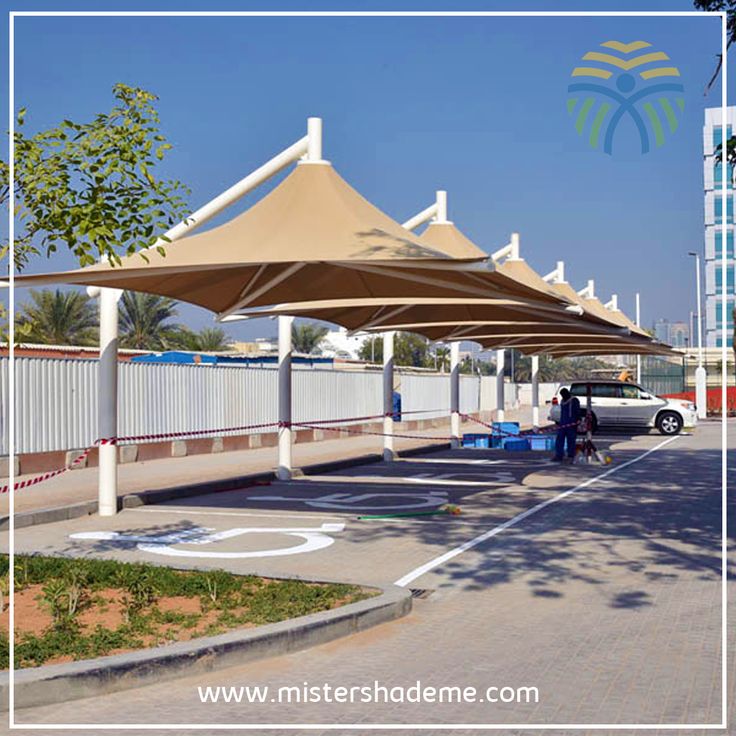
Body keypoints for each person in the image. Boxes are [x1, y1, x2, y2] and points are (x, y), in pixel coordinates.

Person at [553, 388, 581, 462]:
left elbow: (577, 411)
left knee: (571, 440)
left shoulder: (574, 400)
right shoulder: (562, 401)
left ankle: (570, 455)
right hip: (563, 423)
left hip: (571, 424)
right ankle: (559, 455)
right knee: (559, 439)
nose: (563, 396)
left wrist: (578, 420)